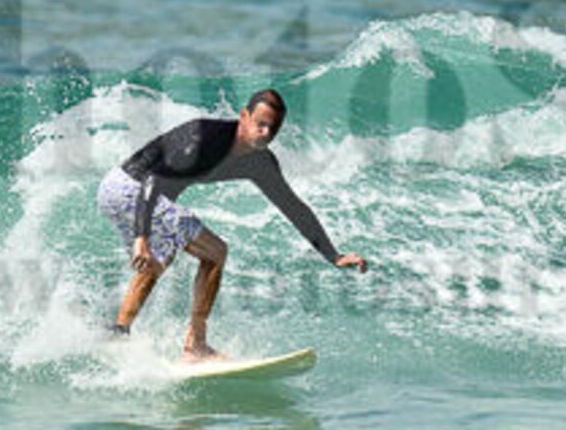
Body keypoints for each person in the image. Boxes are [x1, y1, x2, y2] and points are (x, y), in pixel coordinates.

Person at [97, 88, 368, 360]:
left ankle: (119, 332)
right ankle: (196, 347)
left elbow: (293, 207)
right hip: (131, 189)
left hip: (125, 191)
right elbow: (153, 180)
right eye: (260, 124)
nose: (265, 133)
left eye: (273, 128)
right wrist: (141, 237)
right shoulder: (204, 139)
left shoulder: (259, 163)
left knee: (158, 258)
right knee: (215, 252)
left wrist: (333, 256)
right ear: (244, 116)